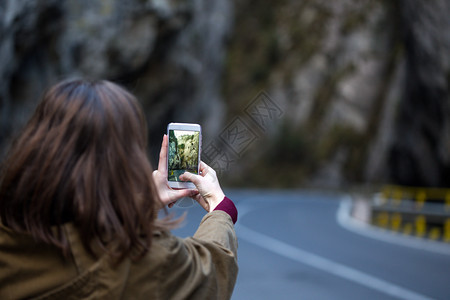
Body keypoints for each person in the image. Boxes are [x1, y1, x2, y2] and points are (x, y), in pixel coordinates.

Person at [0, 79, 238, 299]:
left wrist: (141, 202)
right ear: (125, 159)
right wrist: (221, 207)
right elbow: (209, 276)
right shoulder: (133, 256)